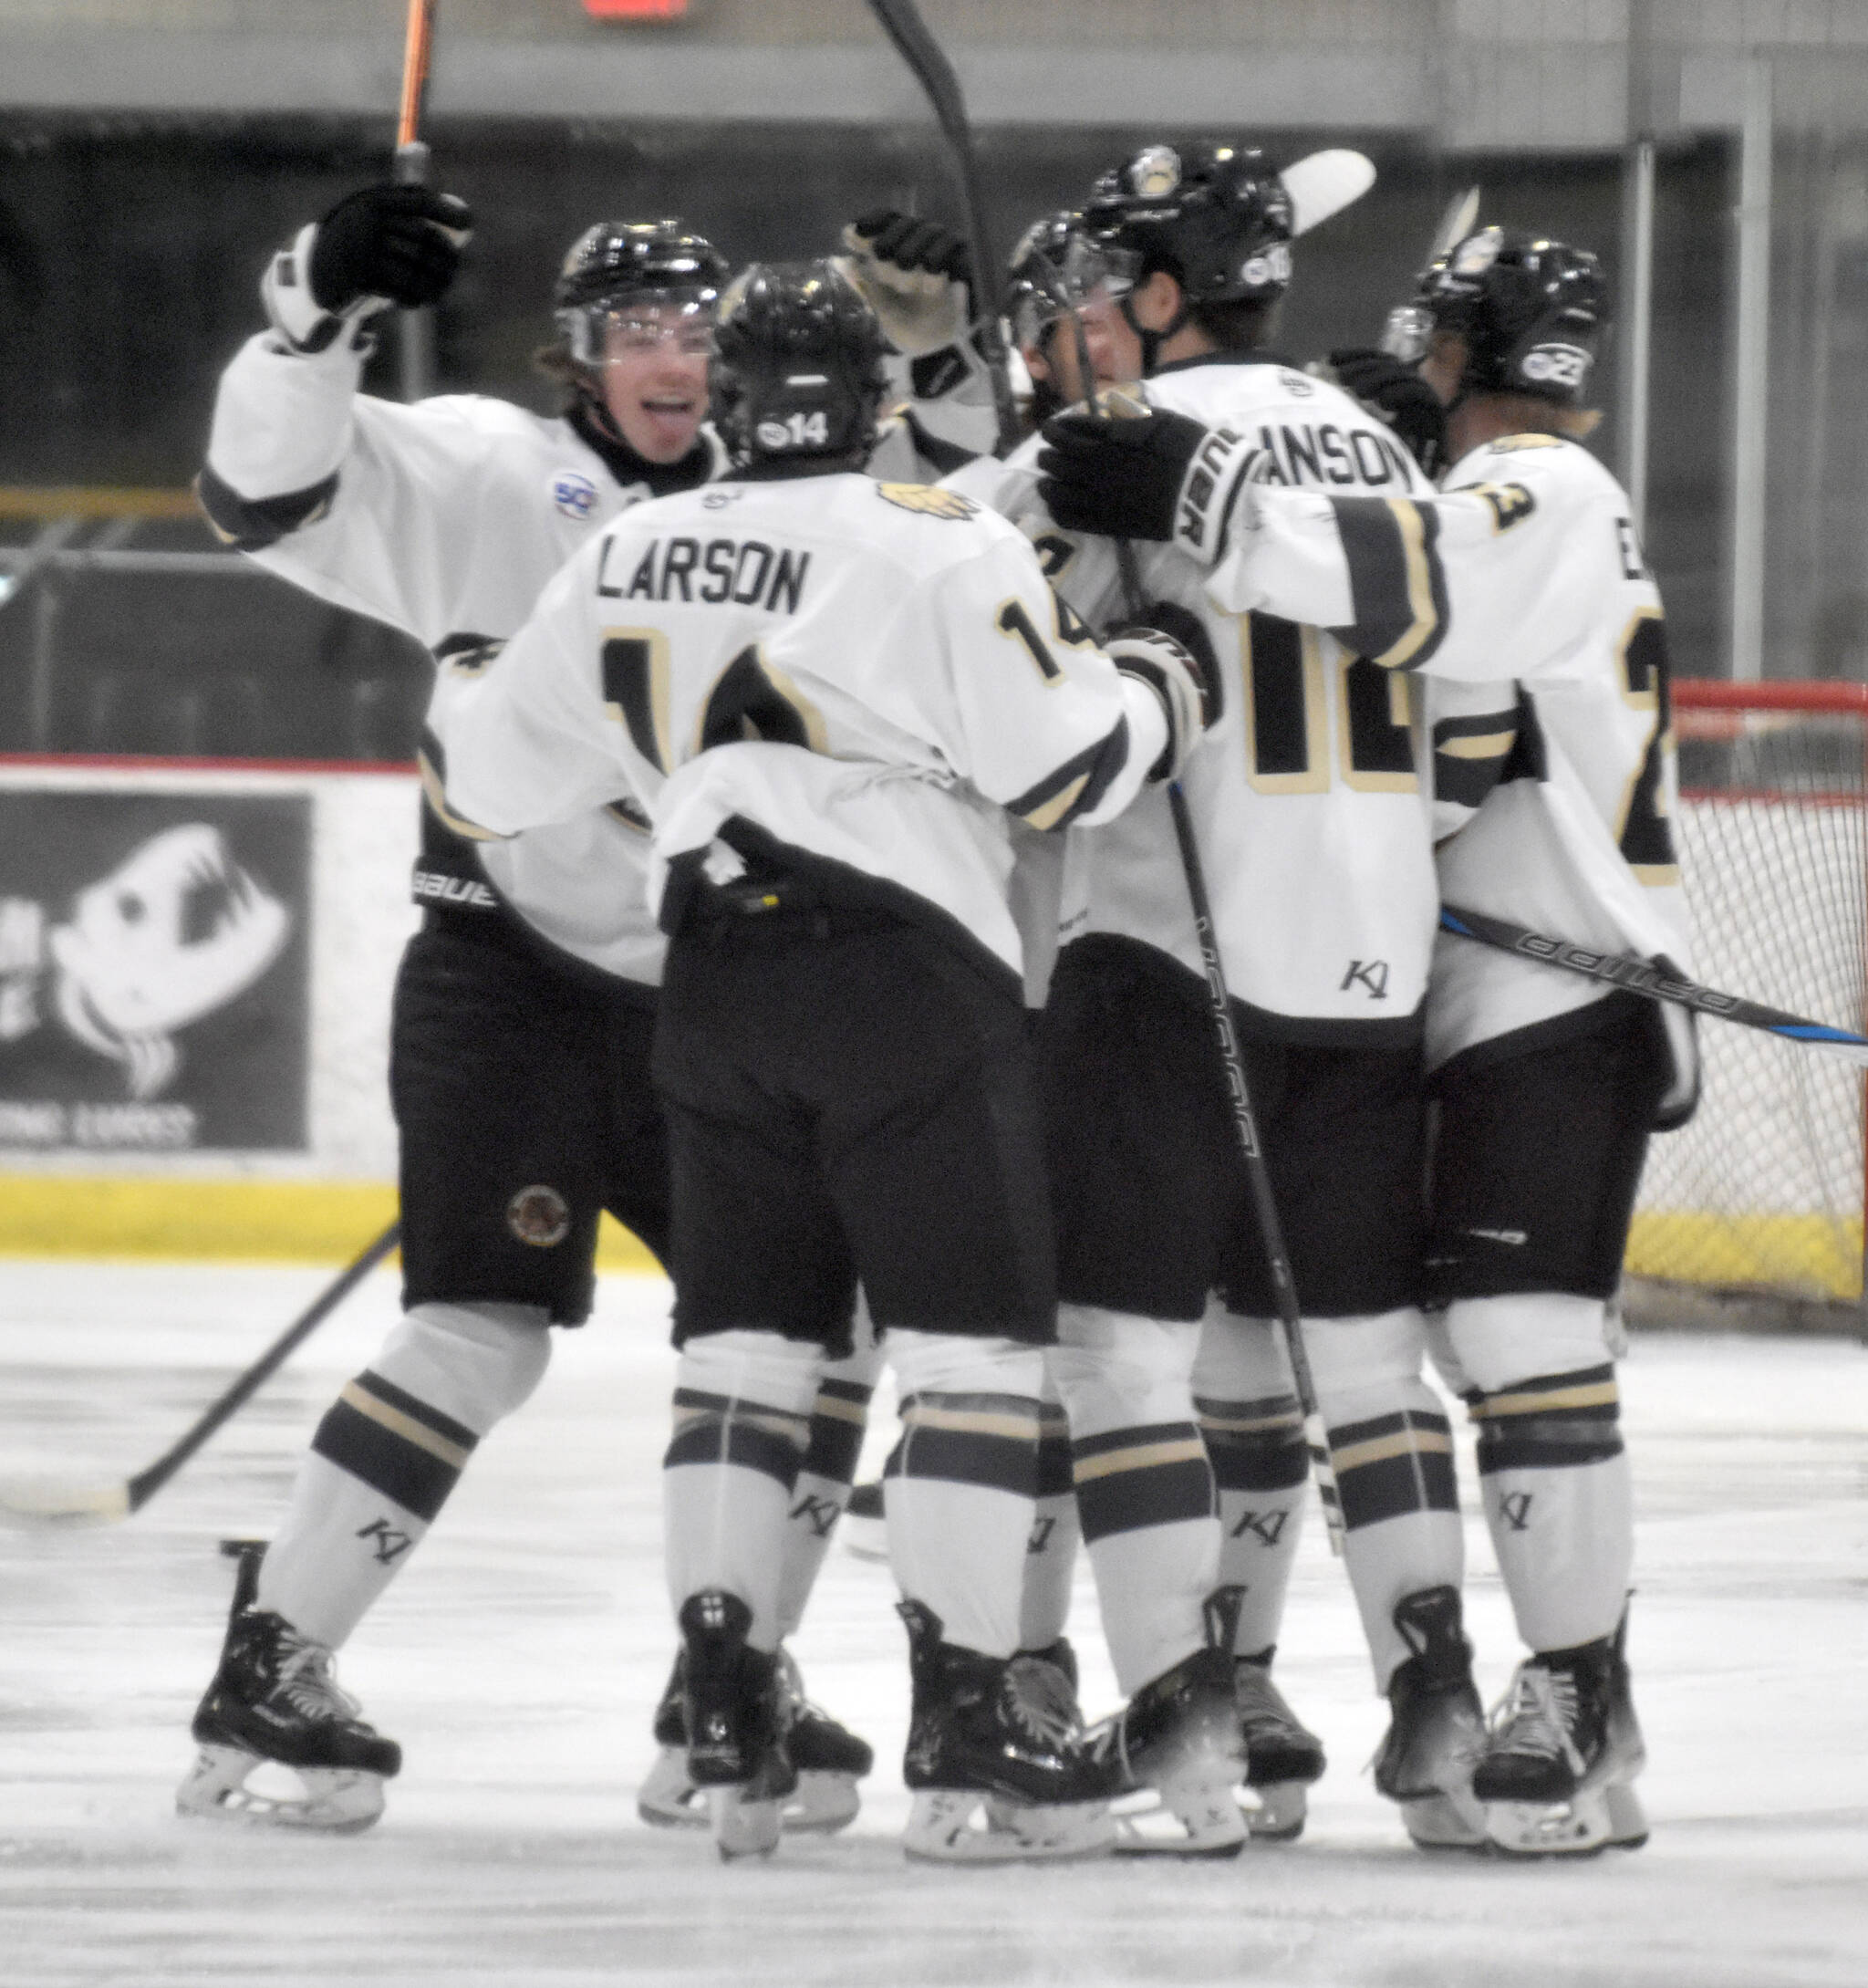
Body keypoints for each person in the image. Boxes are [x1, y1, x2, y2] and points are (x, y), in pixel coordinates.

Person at [428, 261, 1215, 1863]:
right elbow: (1068, 769)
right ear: (868, 400)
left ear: (729, 395)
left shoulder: (628, 547)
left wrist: (463, 675)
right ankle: (970, 1709)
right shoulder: (937, 535)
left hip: (709, 986)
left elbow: (485, 782)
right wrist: (1164, 675)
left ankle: (728, 1697)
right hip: (904, 981)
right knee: (972, 1361)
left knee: (746, 1357)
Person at [176, 188, 875, 1833]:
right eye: (638, 329)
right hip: (508, 976)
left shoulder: (786, 501)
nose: (676, 359)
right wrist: (315, 314)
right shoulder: (491, 467)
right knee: (482, 1332)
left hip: (713, 997)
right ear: (575, 355)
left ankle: (732, 1674)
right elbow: (258, 492)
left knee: (816, 1332)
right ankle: (272, 1663)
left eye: (701, 330)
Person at [1072, 224, 1687, 1858]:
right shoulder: (1522, 492)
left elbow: (1410, 586)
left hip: (1550, 1003)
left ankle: (1580, 1686)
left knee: (1520, 1348)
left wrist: (1194, 489)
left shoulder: (1543, 491)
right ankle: (1545, 1730)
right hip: (1471, 999)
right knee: (1382, 1352)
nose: (1406, 373)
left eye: (1429, 349)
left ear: (1471, 354)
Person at [993, 139, 1463, 1849]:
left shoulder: (1100, 452)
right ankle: (1440, 1704)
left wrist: (1052, 479)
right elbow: (1417, 595)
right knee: (1360, 1366)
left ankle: (1181, 1726)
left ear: (1171, 295)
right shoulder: (1362, 432)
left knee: (1118, 1364)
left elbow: (942, 626)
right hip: (1365, 968)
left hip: (1173, 961)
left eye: (1106, 293)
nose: (1085, 322)